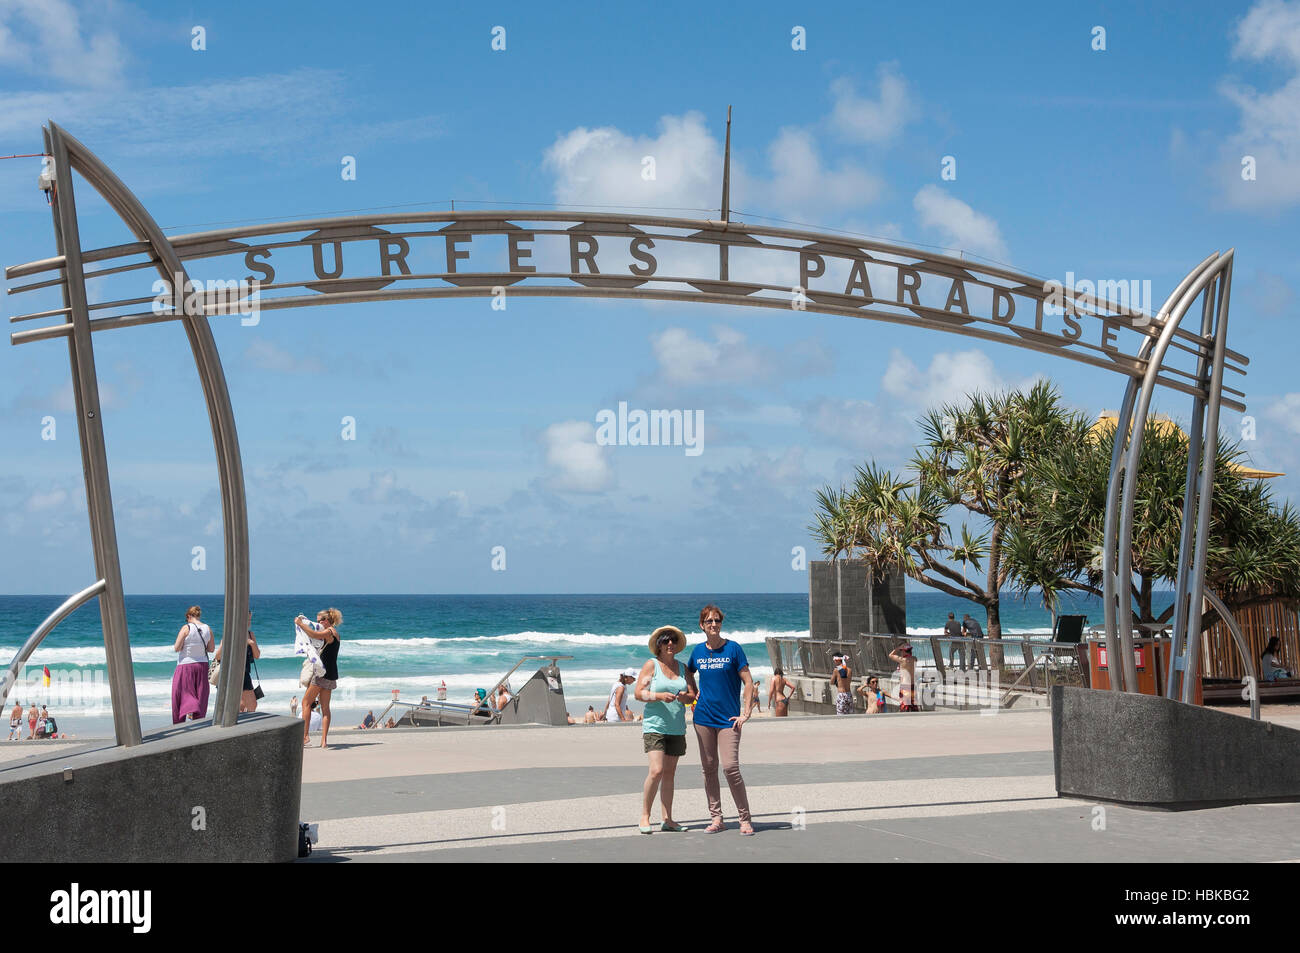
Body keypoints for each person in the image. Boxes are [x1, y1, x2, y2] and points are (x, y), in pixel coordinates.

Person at [685, 604, 755, 836]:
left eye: (717, 621)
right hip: (703, 717)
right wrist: (693, 694)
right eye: (709, 621)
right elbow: (688, 672)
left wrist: (746, 712)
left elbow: (748, 681)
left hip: (729, 720)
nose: (713, 624)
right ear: (702, 625)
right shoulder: (697, 652)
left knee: (730, 768)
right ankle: (717, 818)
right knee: (708, 768)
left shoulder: (733, 649)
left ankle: (744, 818)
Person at [635, 625, 694, 833]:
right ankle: (645, 816)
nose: (670, 644)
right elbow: (639, 693)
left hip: (676, 727)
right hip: (655, 726)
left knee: (669, 773)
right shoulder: (652, 666)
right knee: (656, 770)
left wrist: (685, 697)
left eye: (673, 641)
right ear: (658, 645)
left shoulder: (683, 668)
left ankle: (668, 819)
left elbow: (692, 694)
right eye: (666, 641)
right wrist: (659, 696)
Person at [296, 608, 341, 748]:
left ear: (326, 621)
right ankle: (324, 741)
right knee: (326, 708)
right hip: (332, 674)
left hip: (322, 673)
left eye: (319, 620)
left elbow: (314, 634)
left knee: (306, 703)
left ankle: (304, 737)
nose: (317, 623)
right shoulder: (336, 633)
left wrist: (301, 624)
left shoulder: (328, 632)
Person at [171, 605, 214, 724]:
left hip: (186, 665)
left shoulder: (186, 628)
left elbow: (177, 647)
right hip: (202, 665)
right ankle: (197, 717)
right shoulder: (207, 628)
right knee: (200, 693)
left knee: (180, 694)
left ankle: (182, 719)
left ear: (189, 616)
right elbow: (211, 648)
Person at [215, 615, 261, 713]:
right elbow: (218, 656)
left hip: (245, 673)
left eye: (250, 619)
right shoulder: (230, 634)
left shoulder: (250, 634)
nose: (249, 622)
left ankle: (244, 725)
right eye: (247, 619)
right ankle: (238, 725)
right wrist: (226, 643)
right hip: (231, 673)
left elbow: (257, 655)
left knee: (251, 705)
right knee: (241, 705)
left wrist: (251, 643)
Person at [889, 642, 919, 712]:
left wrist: (898, 648)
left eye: (901, 651)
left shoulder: (902, 660)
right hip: (912, 685)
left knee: (904, 707)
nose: (900, 653)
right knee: (913, 706)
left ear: (903, 651)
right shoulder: (914, 659)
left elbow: (890, 655)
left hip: (905, 686)